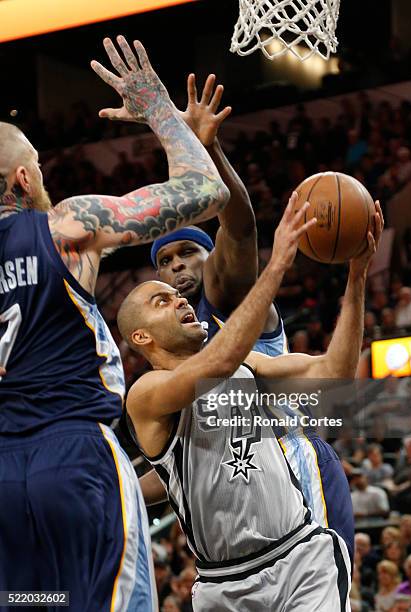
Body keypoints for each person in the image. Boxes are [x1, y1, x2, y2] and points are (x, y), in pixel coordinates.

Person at [0, 36, 229, 610]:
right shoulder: (63, 226)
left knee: (34, 603)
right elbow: (206, 190)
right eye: (38, 166)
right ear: (23, 181)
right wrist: (157, 109)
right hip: (75, 457)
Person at [143, 73, 379, 563]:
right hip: (247, 503)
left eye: (188, 252)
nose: (176, 266)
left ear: (211, 259)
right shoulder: (174, 361)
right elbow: (177, 470)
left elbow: (242, 225)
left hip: (297, 470)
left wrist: (208, 153)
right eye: (164, 263)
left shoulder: (227, 297)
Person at [118, 194, 383, 610]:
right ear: (140, 337)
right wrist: (276, 264)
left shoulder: (246, 362)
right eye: (162, 300)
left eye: (177, 296)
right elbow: (217, 361)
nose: (180, 298)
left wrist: (357, 275)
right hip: (223, 582)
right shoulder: (147, 394)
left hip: (301, 557)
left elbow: (335, 375)